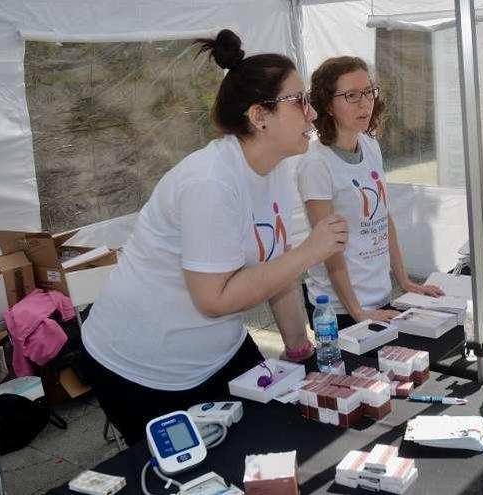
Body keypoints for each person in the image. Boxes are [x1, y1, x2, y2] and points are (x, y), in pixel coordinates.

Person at [78, 30, 349, 445]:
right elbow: (215, 298)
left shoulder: (274, 167)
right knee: (194, 476)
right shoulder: (211, 183)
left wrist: (301, 355)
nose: (312, 114)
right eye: (300, 102)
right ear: (260, 116)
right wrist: (310, 251)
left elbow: (275, 272)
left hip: (219, 349)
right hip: (142, 365)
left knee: (277, 436)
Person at [297, 56, 443, 330]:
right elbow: (329, 249)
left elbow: (383, 219)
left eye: (368, 92)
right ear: (327, 104)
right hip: (339, 309)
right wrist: (357, 311)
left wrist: (405, 282)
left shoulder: (369, 145)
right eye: (351, 95)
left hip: (380, 298)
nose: (365, 102)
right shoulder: (316, 164)